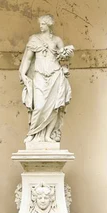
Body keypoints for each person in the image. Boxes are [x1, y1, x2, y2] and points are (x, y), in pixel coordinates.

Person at [19, 15, 74, 143]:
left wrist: (67, 54)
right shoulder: (34, 39)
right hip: (39, 75)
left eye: (43, 24)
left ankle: (48, 135)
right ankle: (32, 133)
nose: (41, 26)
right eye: (40, 24)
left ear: (49, 25)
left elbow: (64, 58)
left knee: (54, 107)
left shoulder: (57, 40)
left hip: (55, 75)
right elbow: (27, 58)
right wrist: (23, 74)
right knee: (39, 106)